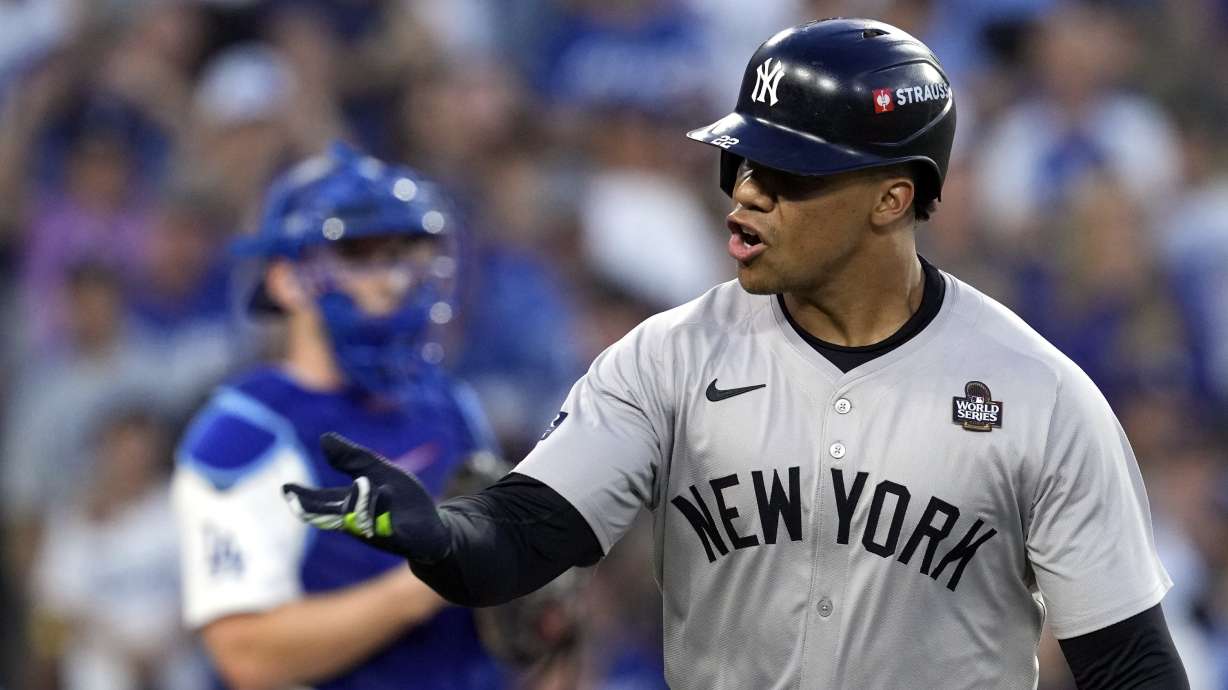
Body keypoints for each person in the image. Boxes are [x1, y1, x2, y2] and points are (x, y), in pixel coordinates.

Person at [283, 19, 1188, 689]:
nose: (745, 196)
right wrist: (444, 536)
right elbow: (524, 535)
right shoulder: (667, 360)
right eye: (738, 165)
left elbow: (1132, 667)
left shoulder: (1038, 394)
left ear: (891, 198)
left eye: (785, 173)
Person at [171, 142, 505, 689]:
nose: (394, 279)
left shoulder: (450, 404)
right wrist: (423, 585)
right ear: (288, 279)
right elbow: (245, 654)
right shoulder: (243, 433)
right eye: (361, 255)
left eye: (406, 253)